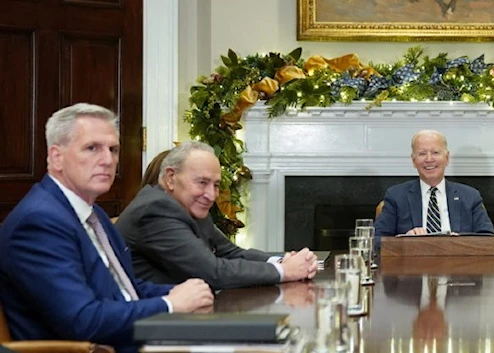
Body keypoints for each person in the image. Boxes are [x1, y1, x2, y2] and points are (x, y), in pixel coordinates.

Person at [0, 103, 214, 353]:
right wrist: (169, 304)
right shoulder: (38, 223)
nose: (107, 160)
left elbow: (124, 288)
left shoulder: (92, 213)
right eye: (92, 148)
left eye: (113, 149)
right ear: (57, 157)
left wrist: (181, 292)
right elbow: (82, 320)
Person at [115, 141, 318, 290]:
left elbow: (232, 253)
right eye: (202, 183)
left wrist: (282, 260)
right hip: (155, 321)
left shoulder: (187, 205)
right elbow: (212, 271)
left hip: (189, 310)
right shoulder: (156, 209)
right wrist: (285, 271)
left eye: (216, 185)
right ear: (170, 178)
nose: (211, 195)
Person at [375, 129, 494, 238]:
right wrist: (405, 241)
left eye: (435, 153)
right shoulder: (396, 196)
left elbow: (488, 239)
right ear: (413, 161)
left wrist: (461, 242)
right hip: (413, 260)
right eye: (422, 154)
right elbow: (377, 240)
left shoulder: (470, 196)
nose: (429, 159)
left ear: (447, 158)